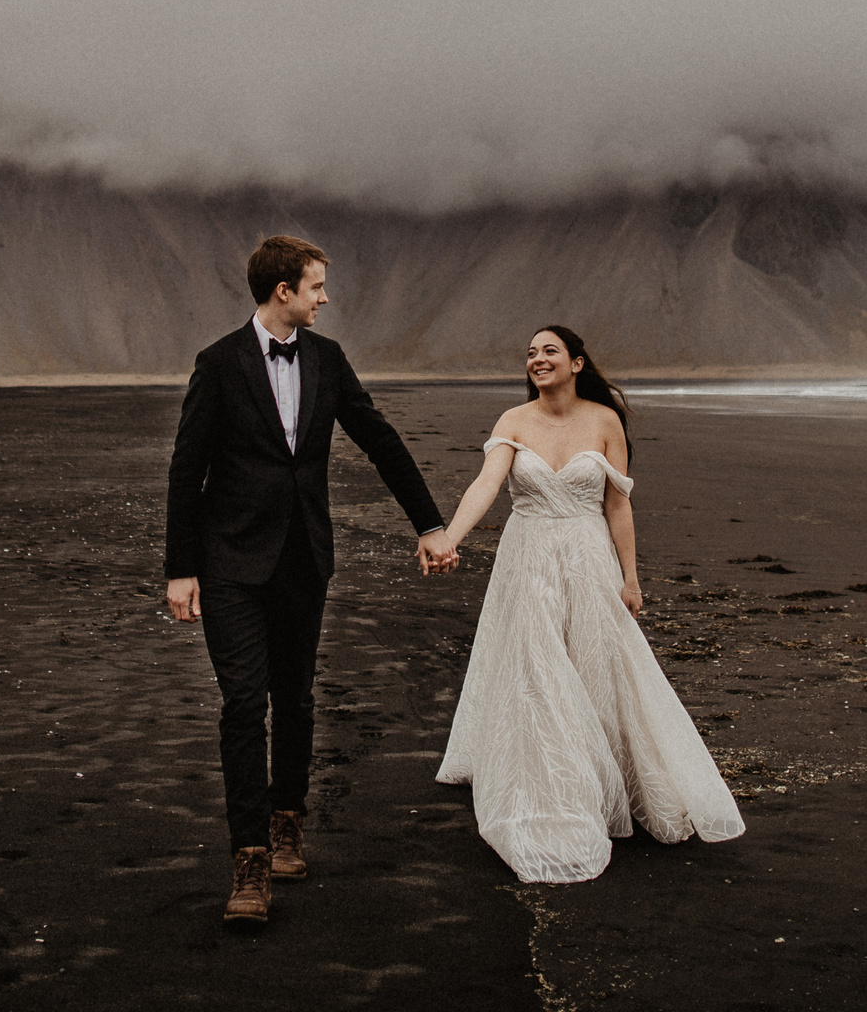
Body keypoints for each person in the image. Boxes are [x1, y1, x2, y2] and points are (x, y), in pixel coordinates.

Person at [165, 234, 459, 925]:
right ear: (283, 291)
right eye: (317, 285)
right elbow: (187, 469)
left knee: (294, 697)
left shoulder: (326, 360)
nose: (325, 297)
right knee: (244, 703)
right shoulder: (219, 362)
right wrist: (180, 568)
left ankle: (287, 818)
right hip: (231, 563)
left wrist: (429, 523)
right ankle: (248, 860)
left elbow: (377, 437)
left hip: (303, 558)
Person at [424, 325, 744, 884]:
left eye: (549, 351)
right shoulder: (513, 422)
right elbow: (485, 484)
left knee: (596, 664)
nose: (536, 360)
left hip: (588, 558)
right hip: (526, 560)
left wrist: (631, 578)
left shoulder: (604, 421)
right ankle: (552, 785)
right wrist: (450, 536)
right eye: (529, 353)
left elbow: (618, 506)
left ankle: (605, 778)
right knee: (538, 669)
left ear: (576, 363)